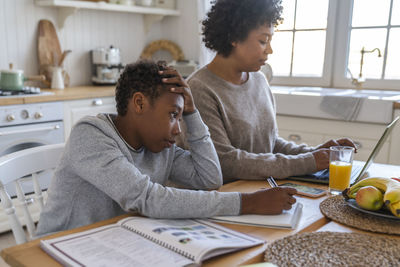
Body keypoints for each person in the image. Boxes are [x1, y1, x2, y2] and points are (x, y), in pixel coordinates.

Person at [36, 60, 297, 236]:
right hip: (57, 249)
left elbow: (209, 179)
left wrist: (192, 113)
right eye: (173, 115)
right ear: (139, 103)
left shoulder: (160, 146)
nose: (178, 129)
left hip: (117, 241)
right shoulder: (90, 135)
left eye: (181, 118)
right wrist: (246, 202)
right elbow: (148, 199)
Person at [186, 0, 356, 183]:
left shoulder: (259, 80)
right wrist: (307, 162)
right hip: (229, 197)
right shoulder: (199, 89)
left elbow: (269, 144)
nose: (270, 50)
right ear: (233, 37)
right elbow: (225, 161)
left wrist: (314, 153)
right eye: (263, 41)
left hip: (262, 188)